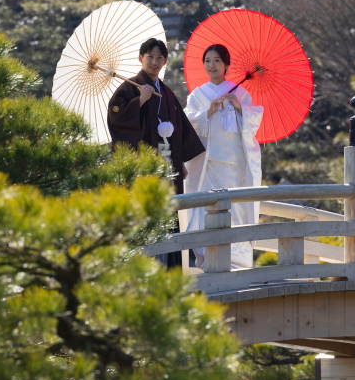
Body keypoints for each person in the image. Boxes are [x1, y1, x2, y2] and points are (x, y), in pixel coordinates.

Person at [107, 37, 205, 267]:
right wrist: (139, 101)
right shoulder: (128, 89)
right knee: (146, 214)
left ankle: (169, 270)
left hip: (168, 164)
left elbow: (179, 127)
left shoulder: (167, 93)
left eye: (159, 57)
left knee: (169, 214)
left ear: (165, 61)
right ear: (140, 58)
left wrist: (178, 160)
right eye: (149, 57)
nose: (154, 61)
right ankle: (145, 268)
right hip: (143, 165)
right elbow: (116, 117)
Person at [183, 44, 263, 270]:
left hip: (233, 166)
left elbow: (253, 124)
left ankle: (237, 262)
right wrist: (205, 112)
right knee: (205, 210)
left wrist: (239, 108)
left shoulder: (240, 93)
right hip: (208, 165)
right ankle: (209, 261)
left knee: (235, 211)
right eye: (208, 60)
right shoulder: (197, 96)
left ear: (226, 65)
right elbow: (187, 125)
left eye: (217, 60)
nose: (212, 65)